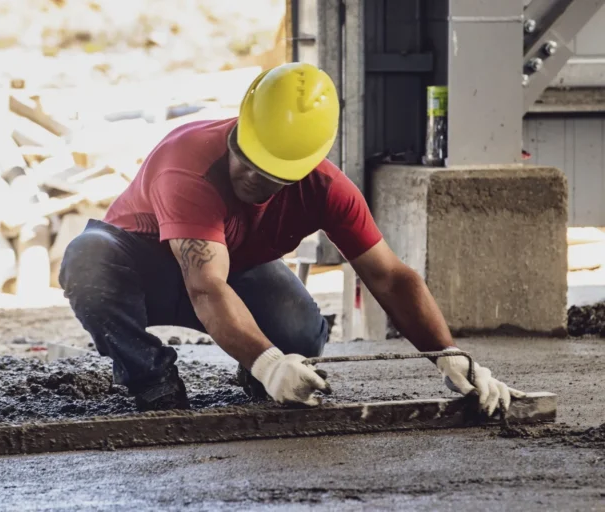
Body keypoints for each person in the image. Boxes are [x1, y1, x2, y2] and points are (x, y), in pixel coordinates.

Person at [59, 62, 525, 414]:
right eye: (245, 155)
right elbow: (205, 286)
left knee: (300, 330)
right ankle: (150, 378)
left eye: (268, 173)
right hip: (143, 266)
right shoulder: (189, 162)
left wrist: (450, 356)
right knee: (87, 260)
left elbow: (390, 278)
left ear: (303, 169)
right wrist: (269, 362)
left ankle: (258, 372)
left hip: (231, 269)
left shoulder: (325, 188)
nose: (247, 174)